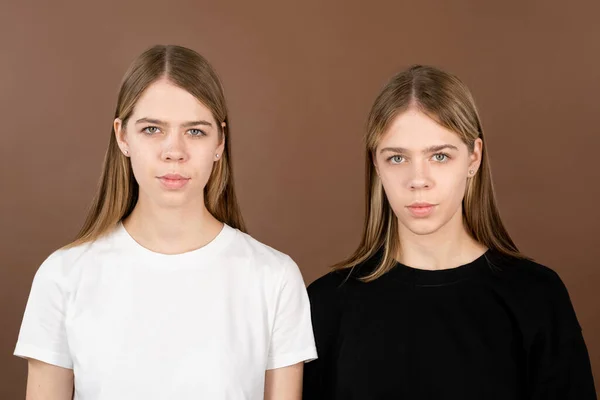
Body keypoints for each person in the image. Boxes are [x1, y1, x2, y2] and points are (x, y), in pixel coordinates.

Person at [14, 44, 317, 400]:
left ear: (220, 142)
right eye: (152, 129)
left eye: (195, 131)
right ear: (122, 136)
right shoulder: (63, 276)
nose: (174, 151)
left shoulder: (274, 278)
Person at [303, 65, 597, 399]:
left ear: (474, 157)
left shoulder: (536, 296)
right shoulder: (327, 304)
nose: (418, 180)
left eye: (440, 156)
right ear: (376, 164)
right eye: (397, 158)